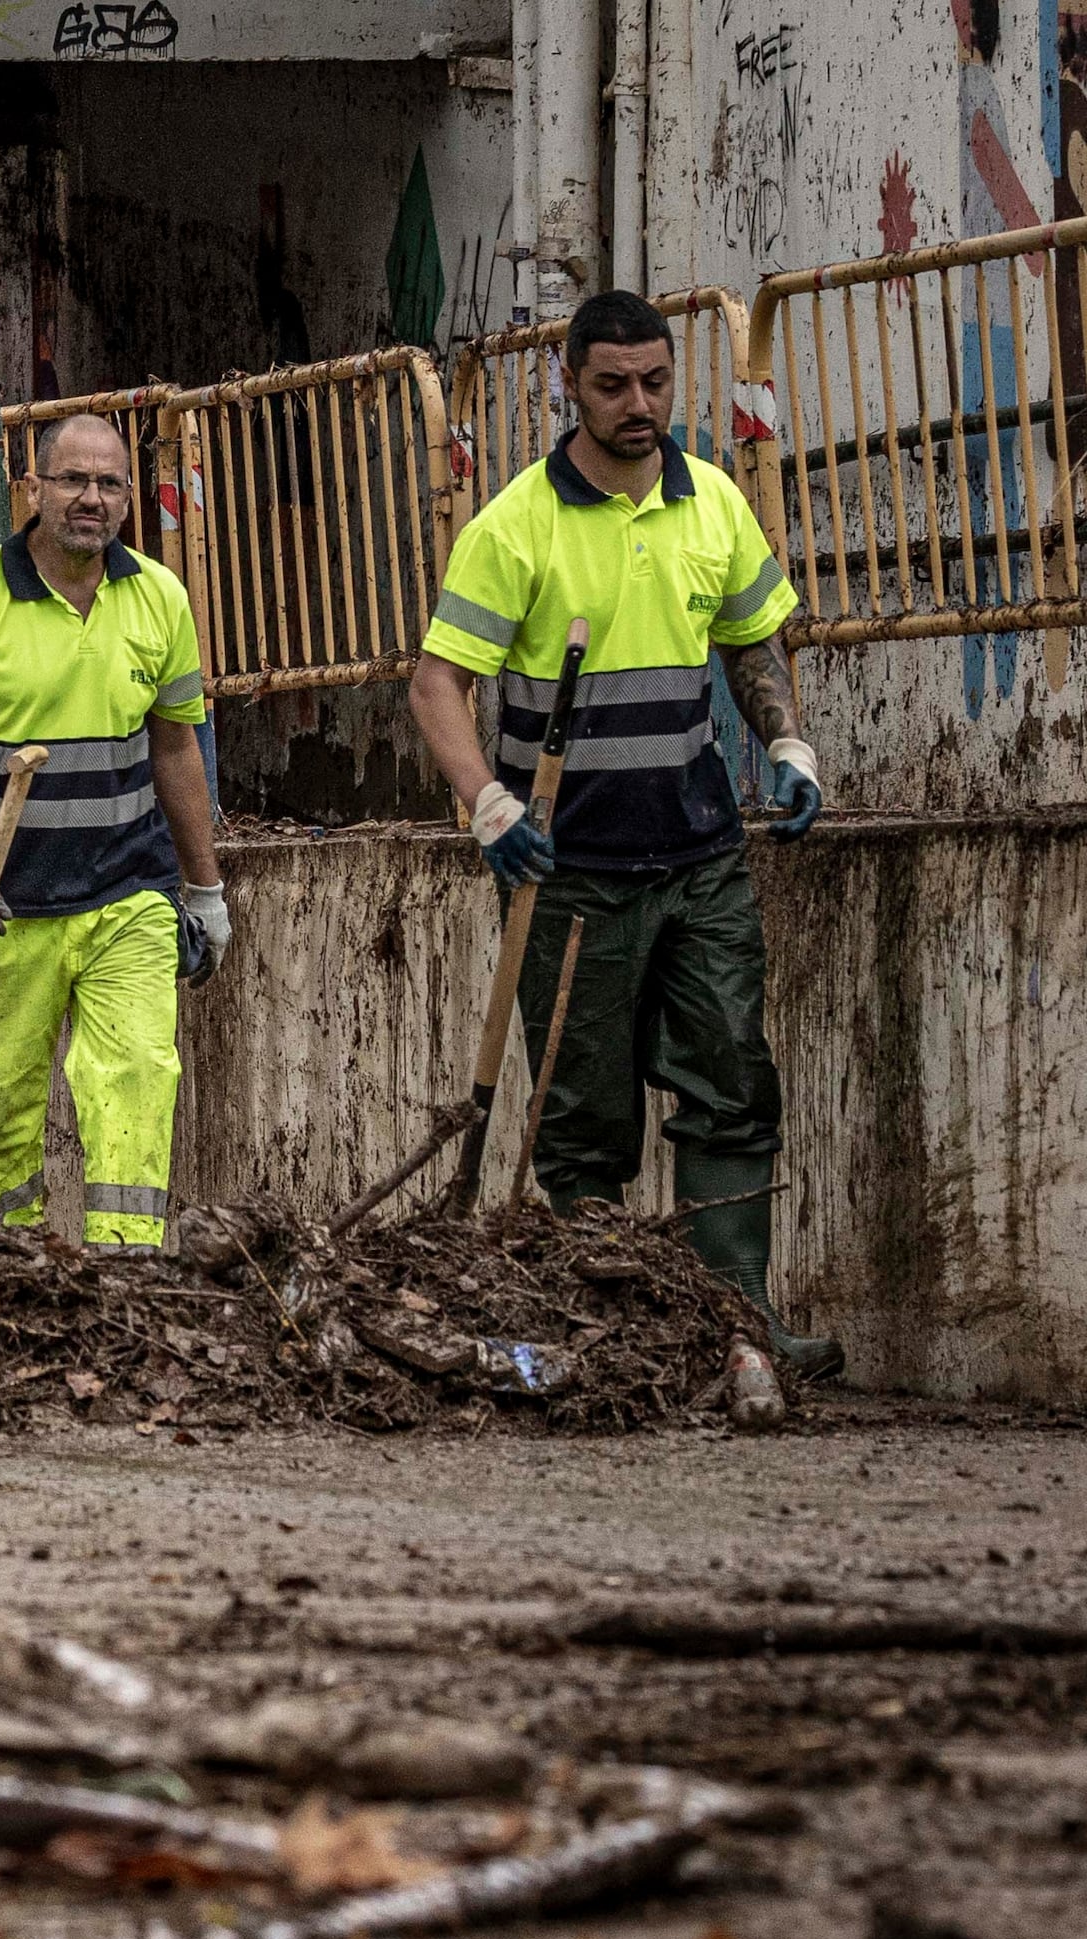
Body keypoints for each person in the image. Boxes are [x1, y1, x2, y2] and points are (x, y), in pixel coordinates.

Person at [408, 287, 836, 1379]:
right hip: (569, 870)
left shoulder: (710, 505)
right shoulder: (516, 523)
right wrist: (485, 805)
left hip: (698, 856)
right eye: (611, 385)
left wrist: (785, 746)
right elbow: (435, 684)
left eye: (652, 381)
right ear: (568, 385)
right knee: (584, 1115)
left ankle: (735, 1323)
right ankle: (617, 1332)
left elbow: (749, 646)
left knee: (730, 1082)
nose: (636, 403)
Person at [0, 411, 232, 1250]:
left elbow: (177, 746)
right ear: (35, 490)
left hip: (128, 893)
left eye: (110, 484)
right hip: (6, 908)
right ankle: (6, 1270)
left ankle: (125, 1271)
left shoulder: (159, 597)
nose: (92, 499)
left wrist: (205, 888)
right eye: (74, 480)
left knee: (138, 1078)